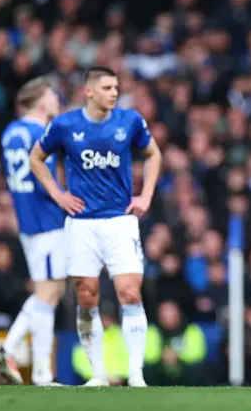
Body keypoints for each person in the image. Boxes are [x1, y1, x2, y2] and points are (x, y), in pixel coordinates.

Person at [30, 66, 162, 387]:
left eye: (116, 87)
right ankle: (99, 374)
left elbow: (153, 153)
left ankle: (135, 374)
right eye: (106, 88)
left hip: (120, 221)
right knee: (87, 296)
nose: (114, 93)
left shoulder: (129, 121)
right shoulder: (65, 125)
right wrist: (59, 195)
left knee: (130, 293)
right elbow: (36, 158)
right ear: (88, 92)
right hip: (81, 224)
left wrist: (145, 195)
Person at [0, 78, 65, 386]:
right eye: (51, 95)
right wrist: (68, 199)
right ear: (39, 102)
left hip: (26, 220)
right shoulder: (41, 133)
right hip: (47, 219)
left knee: (47, 292)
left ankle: (33, 367)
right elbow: (44, 179)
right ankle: (30, 365)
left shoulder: (10, 133)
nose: (56, 99)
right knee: (49, 294)